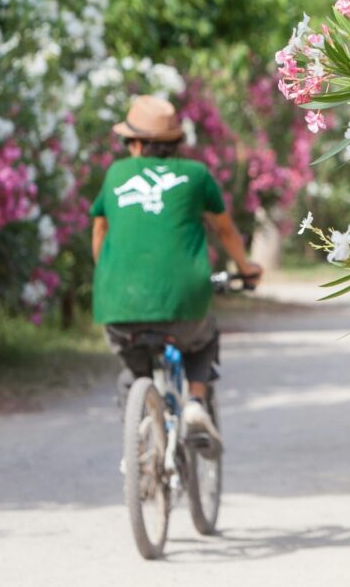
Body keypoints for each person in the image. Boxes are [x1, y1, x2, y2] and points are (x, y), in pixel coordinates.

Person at [90, 94, 262, 441]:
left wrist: (108, 275)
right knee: (202, 337)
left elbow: (99, 230)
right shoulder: (195, 174)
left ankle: (138, 440)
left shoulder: (116, 173)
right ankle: (196, 401)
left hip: (118, 307)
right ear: (174, 141)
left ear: (136, 144)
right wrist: (246, 269)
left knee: (133, 365)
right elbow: (225, 230)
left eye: (128, 142)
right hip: (184, 304)